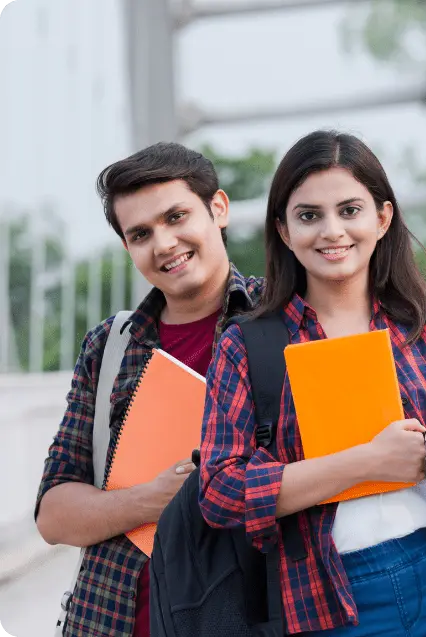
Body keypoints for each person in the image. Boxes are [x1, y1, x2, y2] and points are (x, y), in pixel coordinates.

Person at [199, 130, 426, 636]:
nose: (332, 231)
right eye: (309, 216)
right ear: (284, 230)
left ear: (382, 217)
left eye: (350, 210)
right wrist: (364, 464)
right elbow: (220, 491)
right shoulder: (247, 345)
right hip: (329, 597)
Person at [35, 142, 263, 637]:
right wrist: (151, 499)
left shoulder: (285, 321)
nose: (164, 243)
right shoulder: (110, 345)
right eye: (141, 233)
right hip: (111, 622)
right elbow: (54, 513)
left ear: (218, 209)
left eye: (177, 216)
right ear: (128, 247)